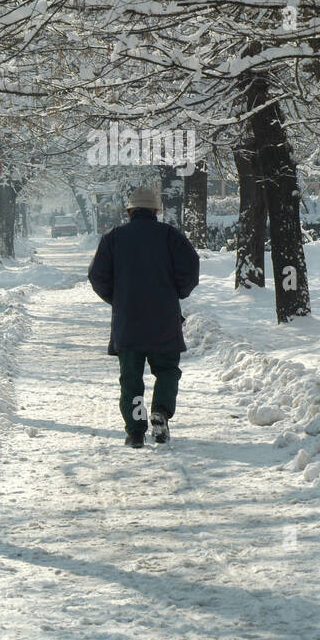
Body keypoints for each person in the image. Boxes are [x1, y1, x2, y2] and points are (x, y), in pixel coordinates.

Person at [87, 186, 200, 447]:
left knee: (131, 379)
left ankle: (136, 431)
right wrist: (176, 293)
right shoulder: (171, 236)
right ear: (156, 210)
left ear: (129, 211)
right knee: (167, 370)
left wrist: (116, 299)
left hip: (128, 322)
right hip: (164, 318)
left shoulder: (113, 238)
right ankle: (160, 411)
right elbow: (190, 269)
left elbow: (97, 276)